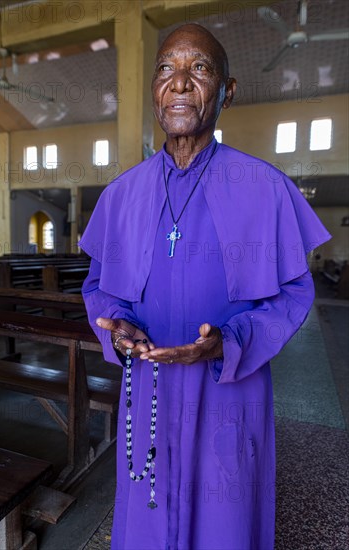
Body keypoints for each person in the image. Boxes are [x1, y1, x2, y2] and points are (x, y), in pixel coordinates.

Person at [80, 23, 331, 550]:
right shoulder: (123, 195)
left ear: (226, 91)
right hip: (147, 388)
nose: (178, 83)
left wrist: (230, 341)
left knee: (225, 518)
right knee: (148, 513)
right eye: (166, 68)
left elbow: (292, 293)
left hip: (227, 392)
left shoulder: (263, 188)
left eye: (198, 69)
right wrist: (117, 327)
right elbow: (100, 287)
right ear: (153, 89)